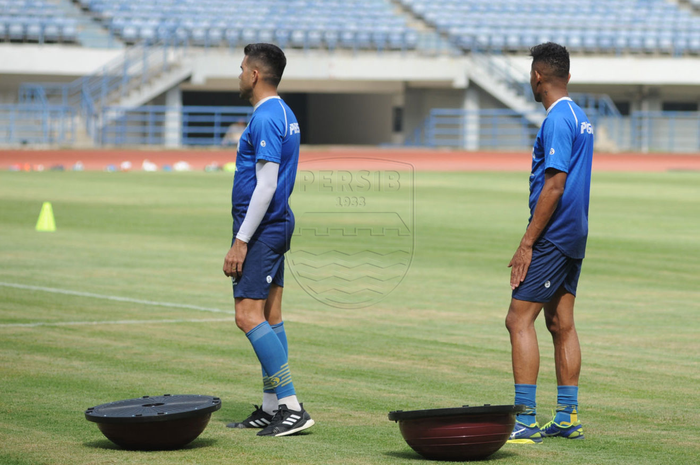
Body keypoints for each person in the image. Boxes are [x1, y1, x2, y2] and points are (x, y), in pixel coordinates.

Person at [223, 43, 313, 437]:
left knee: (247, 315)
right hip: (275, 224)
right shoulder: (283, 112)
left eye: (242, 68)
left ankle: (292, 406)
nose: (239, 74)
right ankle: (272, 405)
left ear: (255, 74)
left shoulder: (264, 119)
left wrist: (241, 240)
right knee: (270, 316)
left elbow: (266, 185)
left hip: (262, 228)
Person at [505, 42, 593, 444]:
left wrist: (527, 243)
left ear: (537, 77)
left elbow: (554, 185)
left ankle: (524, 420)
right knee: (560, 323)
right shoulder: (581, 116)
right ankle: (567, 415)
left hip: (553, 235)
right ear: (567, 77)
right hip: (575, 233)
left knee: (518, 320)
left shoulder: (557, 120)